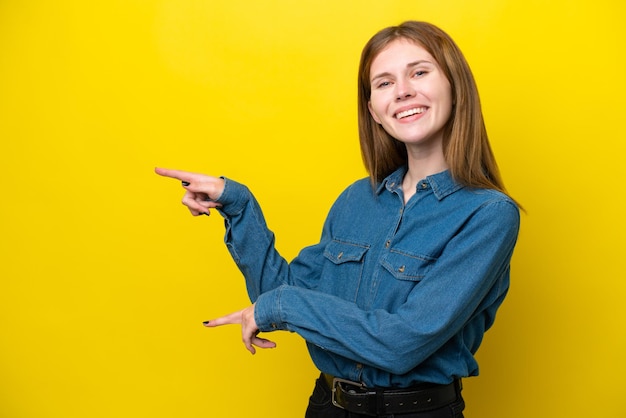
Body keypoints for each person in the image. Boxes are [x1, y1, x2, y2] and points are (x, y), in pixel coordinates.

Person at [155, 20, 520, 418]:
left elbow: (402, 343)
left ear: (454, 86)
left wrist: (282, 307)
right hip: (328, 406)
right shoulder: (355, 200)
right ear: (374, 112)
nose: (402, 91)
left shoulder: (488, 214)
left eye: (419, 72)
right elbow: (278, 292)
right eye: (383, 83)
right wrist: (238, 206)